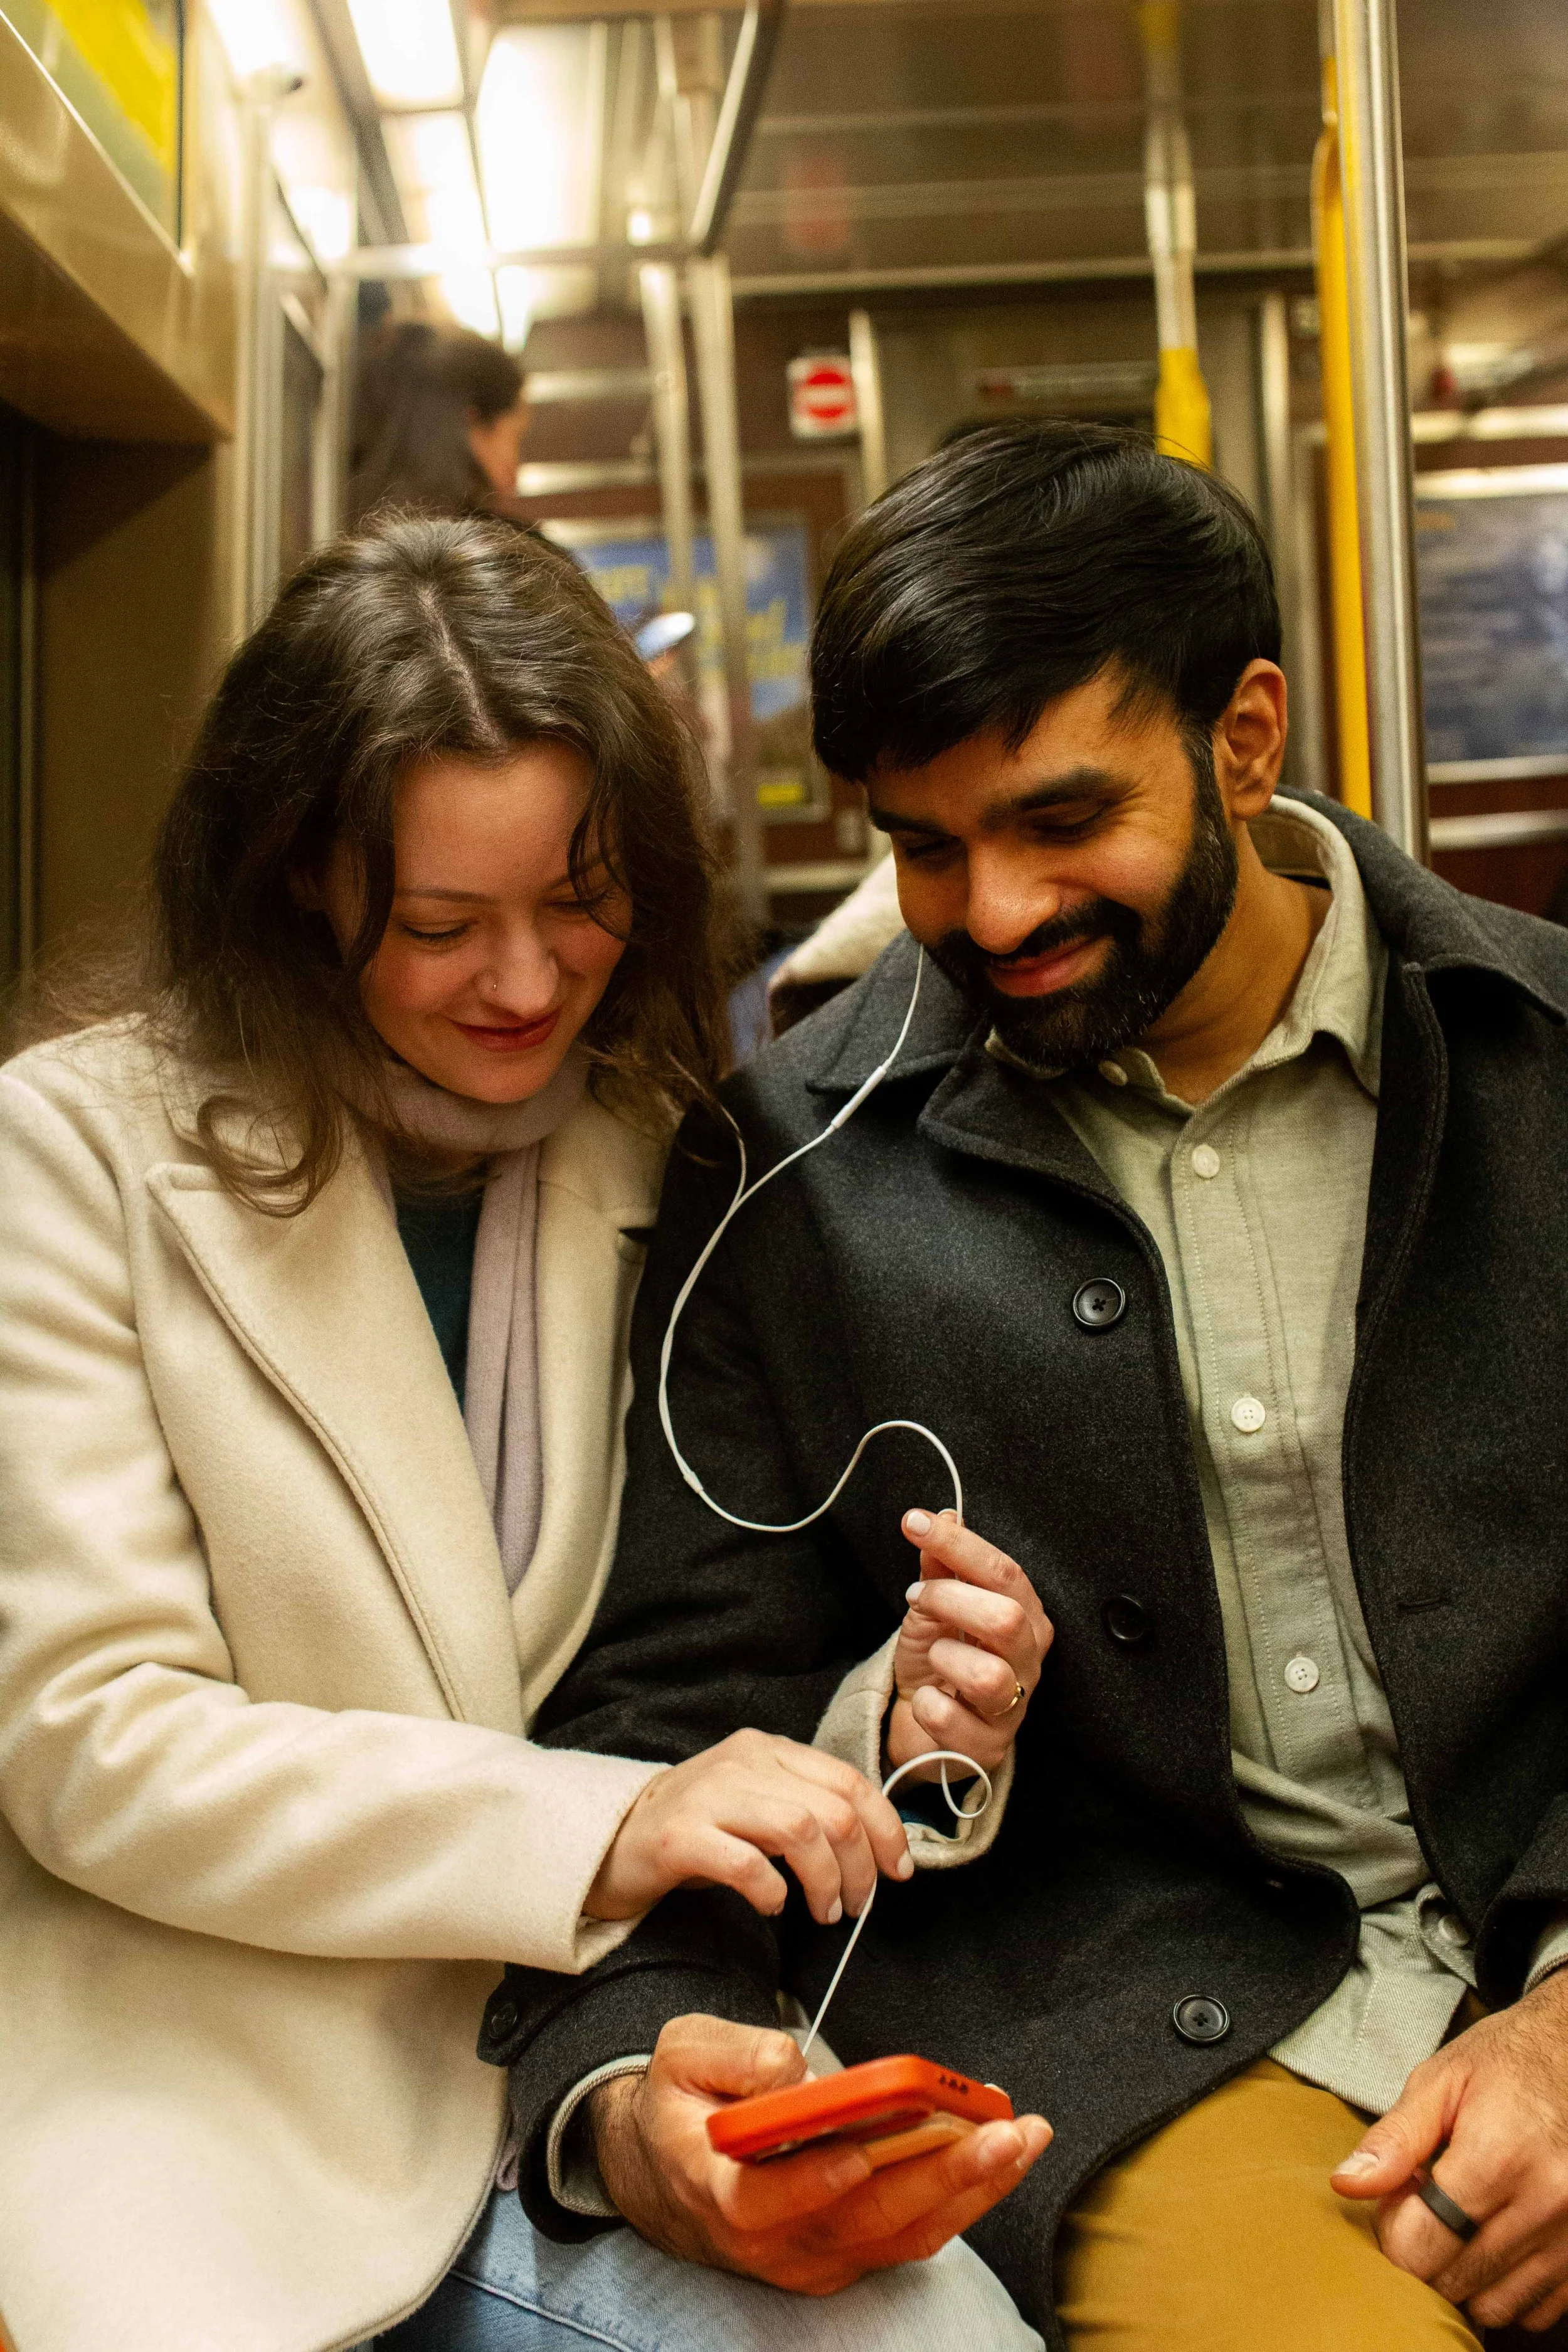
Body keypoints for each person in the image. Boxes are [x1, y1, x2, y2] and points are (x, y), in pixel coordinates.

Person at [484, 420, 1568, 2351]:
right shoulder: (790, 1178)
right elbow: (661, 1718)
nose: (985, 912)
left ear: (1241, 735)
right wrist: (632, 2088)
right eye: (921, 845)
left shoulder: (1537, 1067)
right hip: (1145, 2028)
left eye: (1060, 823)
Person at [0, 512, 1047, 2352]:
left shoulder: (662, 1154)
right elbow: (93, 1738)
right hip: (226, 2105)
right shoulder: (66, 1157)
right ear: (295, 882)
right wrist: (614, 1818)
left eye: (579, 897)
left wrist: (885, 1728)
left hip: (596, 2055)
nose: (525, 978)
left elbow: (669, 1661)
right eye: (436, 923)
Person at [348, 319, 531, 526]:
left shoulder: (352, 516)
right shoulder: (494, 544)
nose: (517, 465)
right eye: (516, 436)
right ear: (473, 420)